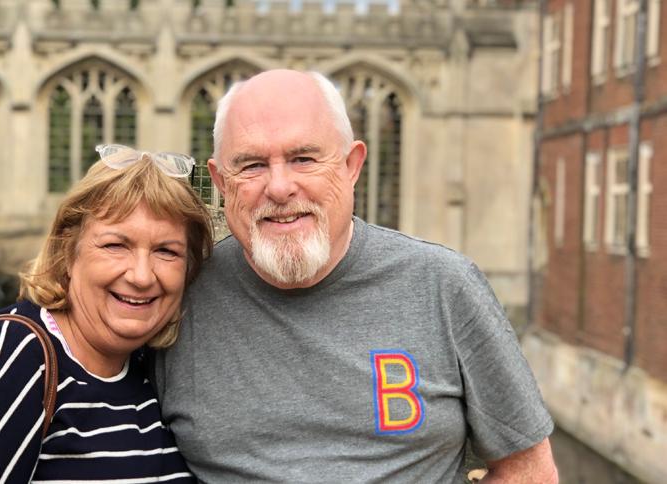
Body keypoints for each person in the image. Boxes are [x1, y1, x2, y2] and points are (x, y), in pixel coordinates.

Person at [155, 70, 558, 482]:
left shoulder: (444, 285)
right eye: (252, 165)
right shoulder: (178, 295)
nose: (279, 187)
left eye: (304, 159)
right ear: (221, 182)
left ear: (352, 166)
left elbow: (529, 469)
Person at [0, 145, 212, 482]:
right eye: (115, 245)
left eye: (166, 251)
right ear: (67, 252)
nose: (142, 275)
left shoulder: (150, 367)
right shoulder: (13, 356)